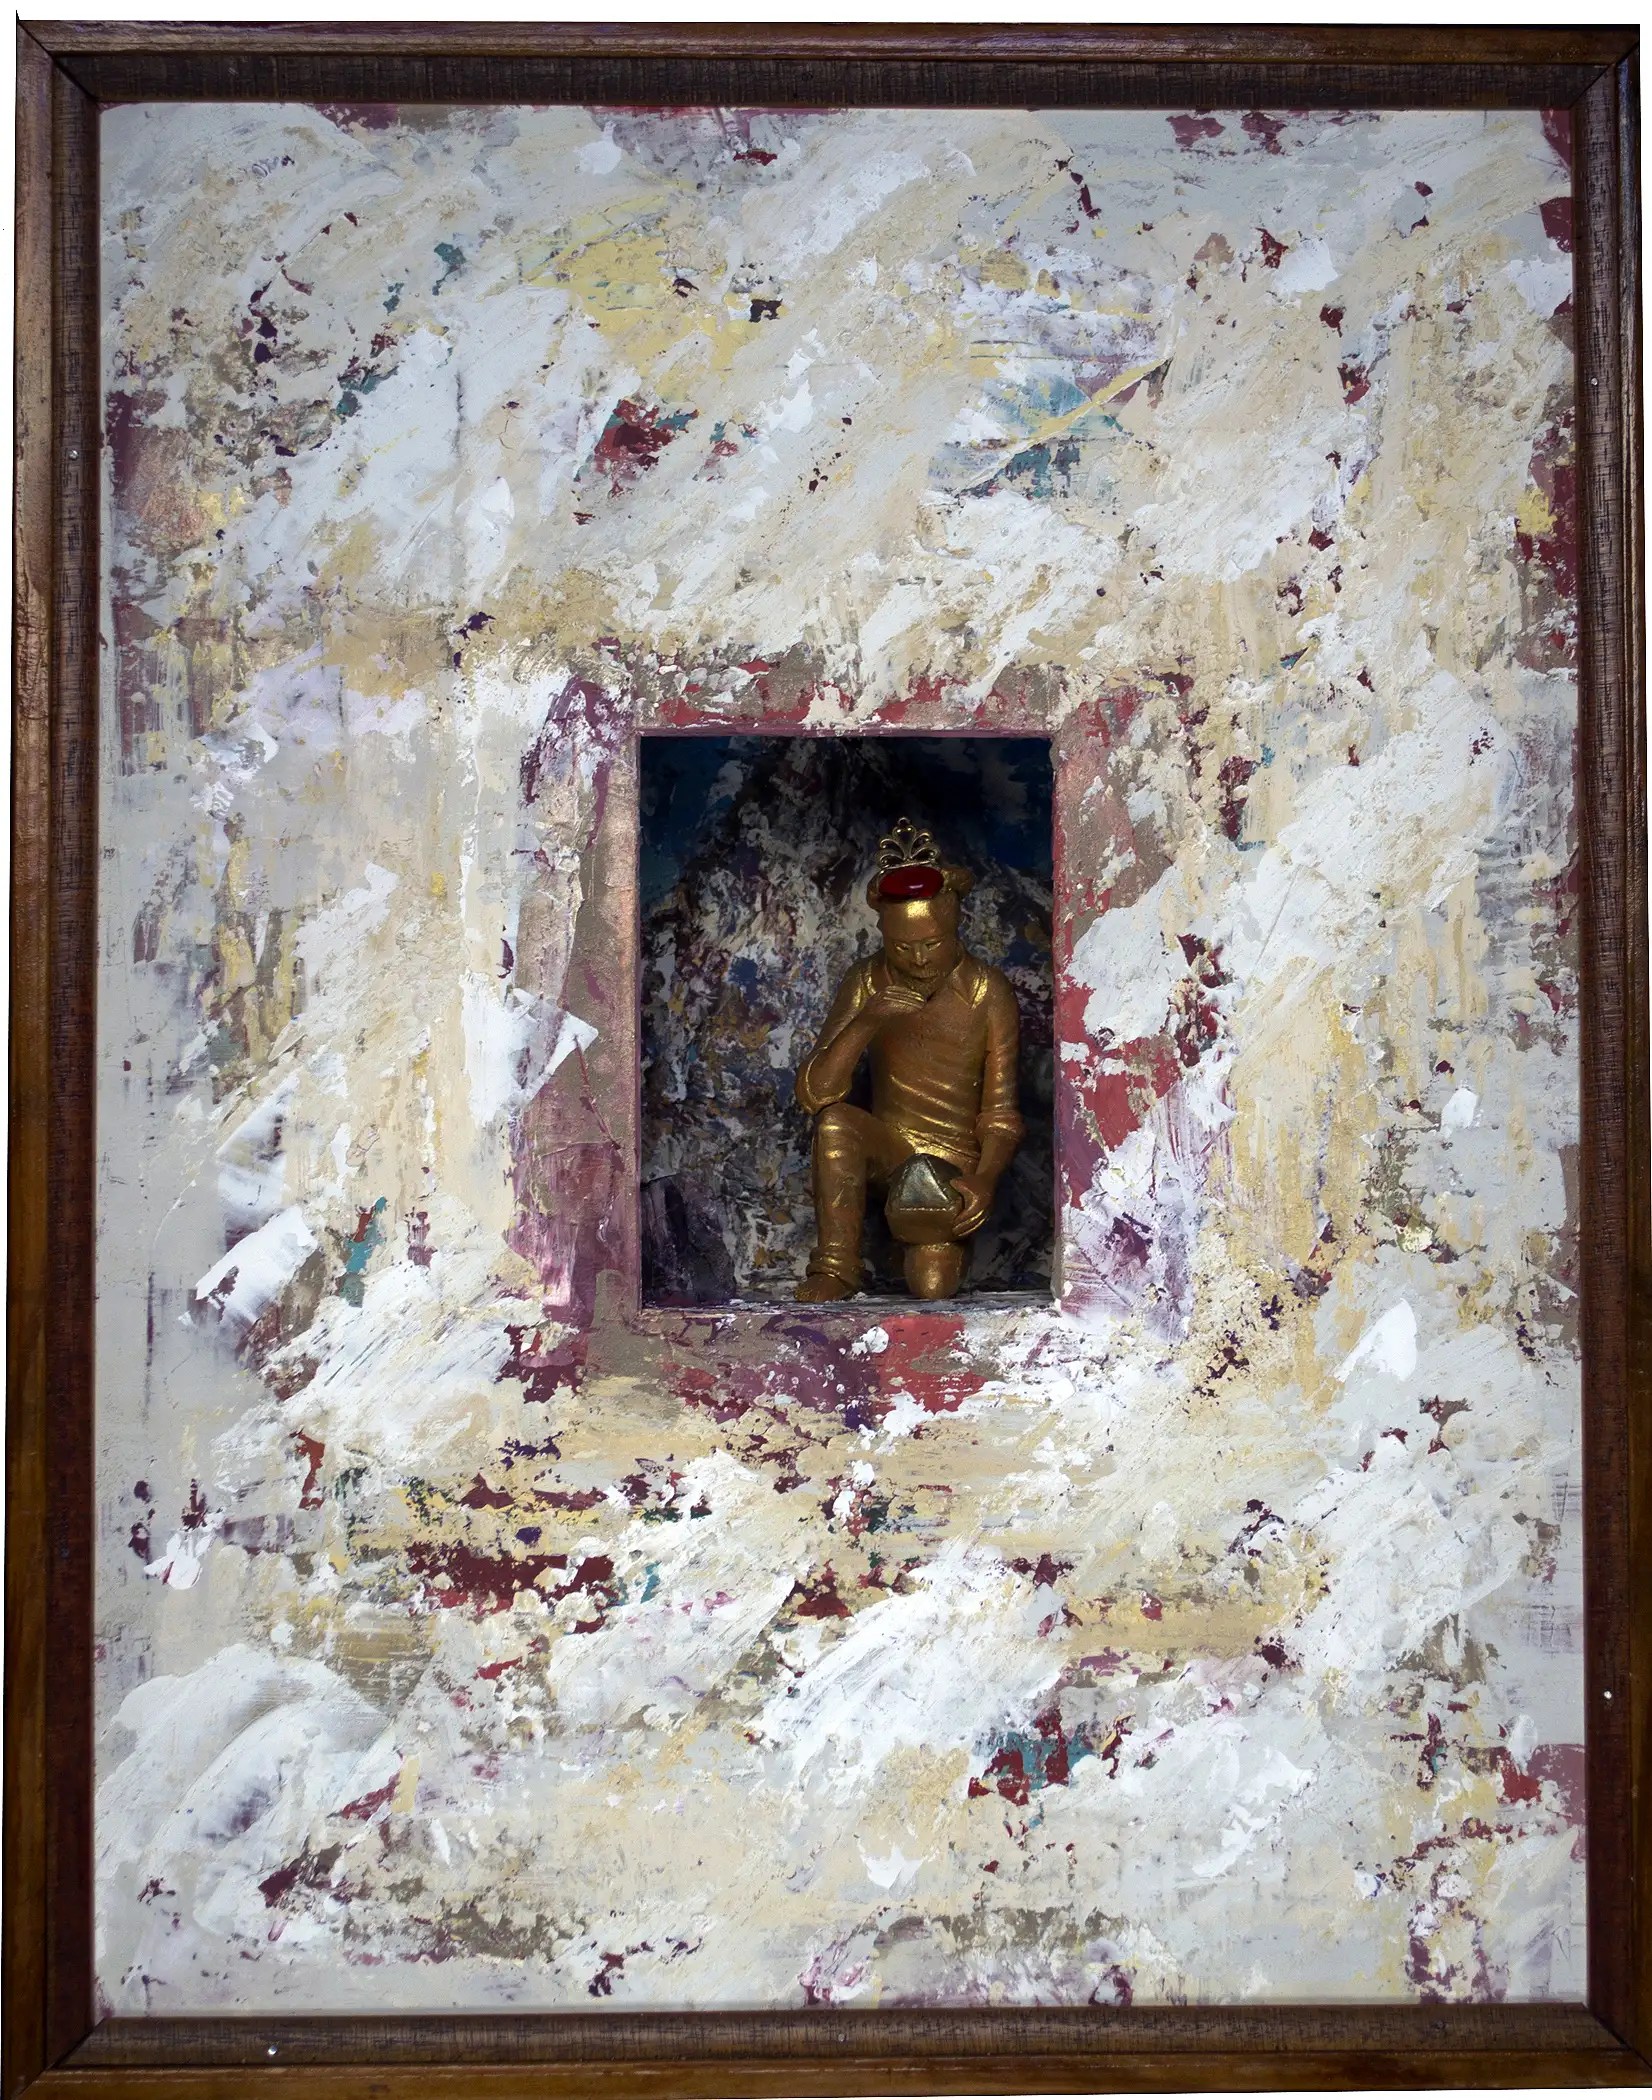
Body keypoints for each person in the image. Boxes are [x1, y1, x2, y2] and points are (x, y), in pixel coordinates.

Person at [794, 819, 1023, 1301]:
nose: (918, 959)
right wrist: (867, 1021)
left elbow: (1000, 1113)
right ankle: (836, 1267)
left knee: (931, 1288)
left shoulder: (988, 991)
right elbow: (815, 1094)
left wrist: (984, 1180)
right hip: (891, 1147)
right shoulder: (867, 980)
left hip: (953, 1165)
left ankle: (928, 1248)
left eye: (931, 943)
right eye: (902, 947)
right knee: (835, 1123)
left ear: (955, 928)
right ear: (883, 936)